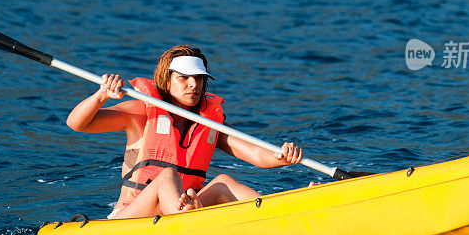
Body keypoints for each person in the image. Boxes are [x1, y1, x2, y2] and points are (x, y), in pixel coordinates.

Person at [66, 45, 304, 219]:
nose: (194, 84)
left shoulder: (211, 124)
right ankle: (186, 216)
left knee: (223, 183)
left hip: (189, 207)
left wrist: (282, 157)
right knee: (168, 176)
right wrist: (101, 96)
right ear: (166, 81)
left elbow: (257, 155)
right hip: (131, 217)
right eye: (184, 78)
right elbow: (77, 124)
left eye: (199, 79)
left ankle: (281, 215)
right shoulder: (140, 111)